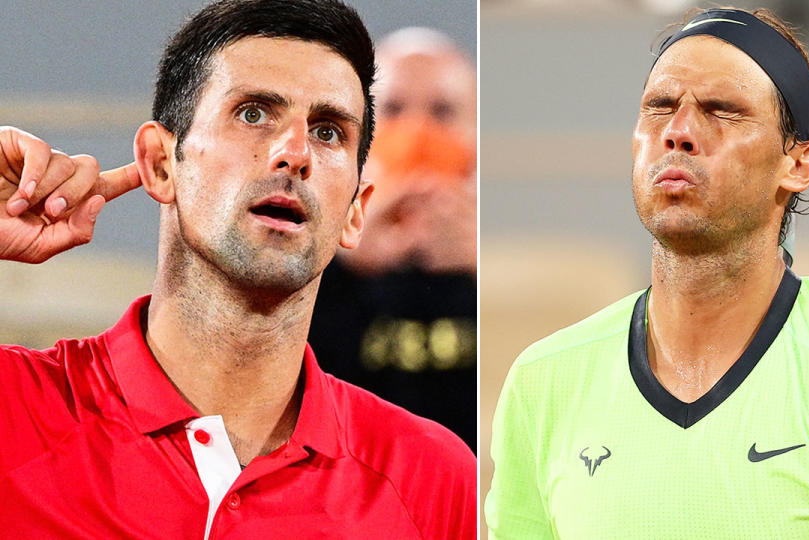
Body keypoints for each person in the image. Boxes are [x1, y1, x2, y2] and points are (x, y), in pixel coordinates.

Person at [0, 1, 475, 538]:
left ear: (355, 210)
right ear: (160, 163)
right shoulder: (12, 410)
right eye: (253, 113)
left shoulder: (434, 479)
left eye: (327, 131)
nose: (295, 153)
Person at [485, 7, 809, 539]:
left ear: (799, 164)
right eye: (659, 107)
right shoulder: (542, 380)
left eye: (723, 111)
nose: (679, 132)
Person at [309, 27, 477, 450]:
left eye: (441, 112)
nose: (417, 132)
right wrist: (341, 260)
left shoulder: (516, 257)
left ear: (475, 131)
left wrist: (482, 267)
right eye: (395, 110)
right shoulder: (305, 250)